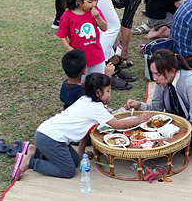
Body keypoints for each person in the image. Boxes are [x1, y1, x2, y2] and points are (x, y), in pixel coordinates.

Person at [13, 73, 149, 181]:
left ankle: (34, 151)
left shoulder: (86, 100)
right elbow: (118, 125)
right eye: (108, 91)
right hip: (51, 139)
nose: (110, 94)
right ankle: (29, 162)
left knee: (75, 162)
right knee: (68, 171)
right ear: (97, 93)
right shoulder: (95, 108)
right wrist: (138, 119)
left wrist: (80, 155)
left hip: (46, 133)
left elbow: (85, 133)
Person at [126, 49, 192, 149]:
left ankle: (178, 145)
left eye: (158, 74)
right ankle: (174, 144)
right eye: (152, 73)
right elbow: (156, 109)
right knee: (149, 128)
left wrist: (172, 132)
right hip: (181, 119)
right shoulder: (161, 82)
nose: (154, 78)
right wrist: (139, 105)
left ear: (172, 72)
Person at [78, 0, 153, 74]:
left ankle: (110, 58)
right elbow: (126, 24)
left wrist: (116, 42)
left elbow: (106, 16)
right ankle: (99, 66)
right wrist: (125, 51)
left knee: (99, 25)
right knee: (113, 27)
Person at [57, 0, 109, 83]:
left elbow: (104, 28)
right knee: (82, 84)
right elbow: (62, 35)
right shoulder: (68, 16)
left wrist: (97, 17)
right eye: (90, 2)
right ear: (79, 1)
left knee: (98, 83)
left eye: (96, 0)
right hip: (79, 59)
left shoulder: (95, 12)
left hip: (97, 56)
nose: (94, 4)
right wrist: (68, 48)